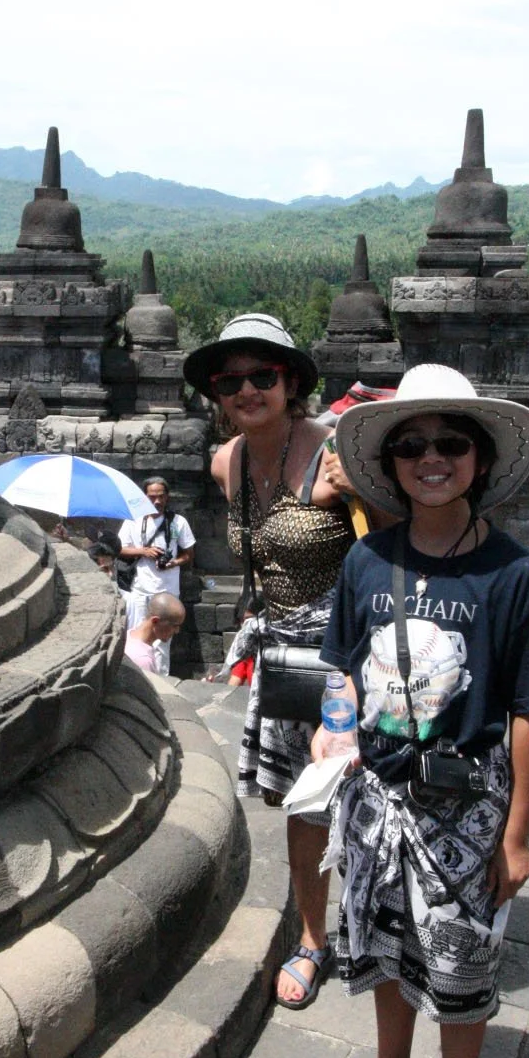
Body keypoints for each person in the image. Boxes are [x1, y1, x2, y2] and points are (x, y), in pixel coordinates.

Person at [294, 364, 529, 1058]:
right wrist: (333, 726)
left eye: (450, 442)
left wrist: (517, 834)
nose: (431, 458)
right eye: (412, 445)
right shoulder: (367, 560)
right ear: (392, 462)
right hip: (379, 792)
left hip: (468, 801)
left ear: (479, 460)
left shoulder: (511, 574)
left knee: (458, 963)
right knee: (382, 946)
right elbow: (342, 665)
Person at [184, 312, 358, 1012]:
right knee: (301, 802)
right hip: (283, 648)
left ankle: (377, 923)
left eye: (264, 376)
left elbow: (387, 557)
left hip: (348, 646)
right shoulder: (227, 462)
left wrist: (342, 498)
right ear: (218, 395)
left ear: (292, 383)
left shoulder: (335, 455)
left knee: (364, 797)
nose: (248, 390)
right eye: (232, 382)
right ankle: (314, 939)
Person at [117, 479, 195, 670]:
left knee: (163, 644)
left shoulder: (178, 522)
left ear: (167, 497)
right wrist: (143, 551)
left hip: (167, 593)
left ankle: (161, 681)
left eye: (161, 496)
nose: (157, 501)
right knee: (136, 637)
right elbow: (119, 549)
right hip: (140, 590)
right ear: (144, 497)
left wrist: (173, 562)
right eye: (152, 497)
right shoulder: (133, 520)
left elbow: (189, 555)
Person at [124, 591, 185, 674]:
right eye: (174, 626)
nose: (177, 631)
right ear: (155, 621)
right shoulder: (143, 660)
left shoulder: (127, 636)